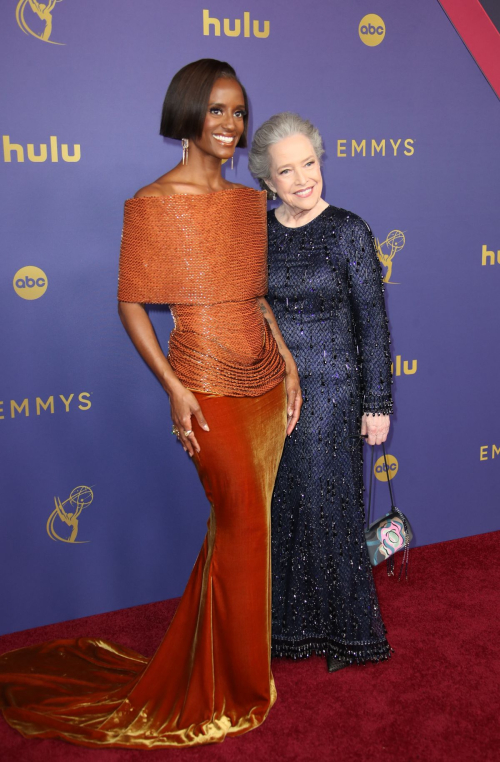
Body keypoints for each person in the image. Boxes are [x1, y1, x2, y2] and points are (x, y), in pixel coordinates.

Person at [0, 61, 301, 749]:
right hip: (205, 388)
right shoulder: (153, 202)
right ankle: (234, 688)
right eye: (217, 111)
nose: (231, 125)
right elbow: (131, 302)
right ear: (187, 116)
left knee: (240, 530)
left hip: (263, 381)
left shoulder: (249, 202)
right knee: (243, 525)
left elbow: (255, 296)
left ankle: (220, 664)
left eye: (239, 111)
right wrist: (173, 385)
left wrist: (286, 361)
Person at [249, 112, 393, 673]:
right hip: (268, 392)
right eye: (287, 171)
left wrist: (377, 403)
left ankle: (344, 631)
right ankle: (285, 627)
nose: (303, 179)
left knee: (326, 505)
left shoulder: (348, 230)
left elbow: (373, 323)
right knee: (282, 505)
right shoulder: (257, 232)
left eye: (309, 164)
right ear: (267, 181)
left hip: (332, 391)